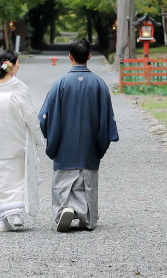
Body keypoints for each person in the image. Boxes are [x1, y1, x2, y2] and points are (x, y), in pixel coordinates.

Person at [38, 38, 119, 232]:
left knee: (64, 181)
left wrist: (49, 137)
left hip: (64, 146)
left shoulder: (60, 84)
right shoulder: (99, 84)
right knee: (87, 182)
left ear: (70, 57)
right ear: (89, 56)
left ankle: (65, 210)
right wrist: (101, 143)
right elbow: (107, 119)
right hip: (89, 147)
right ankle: (86, 217)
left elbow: (44, 117)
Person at [0, 50, 43, 232]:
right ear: (11, 66)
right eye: (18, 63)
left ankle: (5, 218)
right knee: (16, 176)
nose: (19, 66)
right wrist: (38, 138)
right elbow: (29, 115)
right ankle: (13, 215)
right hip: (16, 138)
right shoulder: (19, 87)